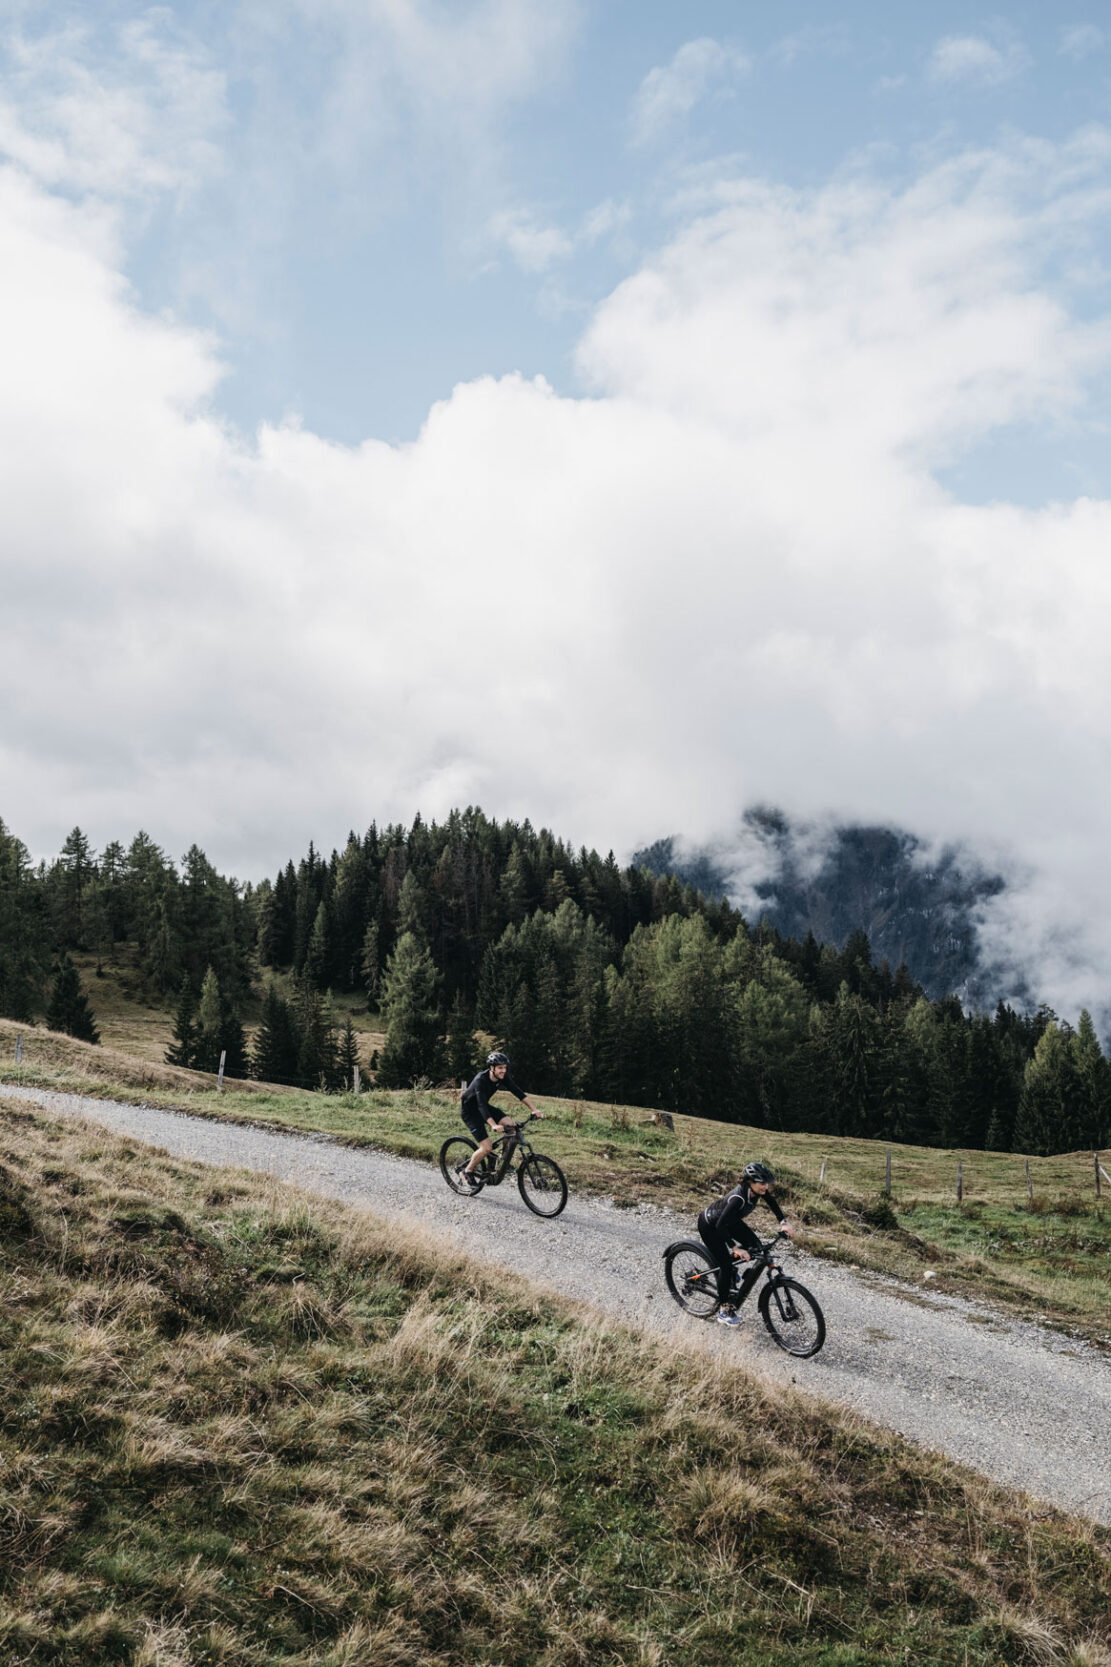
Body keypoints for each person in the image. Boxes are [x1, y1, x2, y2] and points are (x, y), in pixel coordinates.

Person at [698, 1161, 793, 1327]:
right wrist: (735, 1248)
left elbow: (772, 1202)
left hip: (730, 1222)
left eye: (767, 1184)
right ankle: (723, 1310)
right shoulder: (738, 1198)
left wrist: (783, 1222)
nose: (766, 1187)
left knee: (756, 1246)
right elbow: (720, 1226)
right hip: (711, 1226)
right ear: (751, 1181)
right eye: (762, 1183)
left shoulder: (758, 1191)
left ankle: (731, 1270)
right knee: (726, 1266)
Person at [457, 1051, 542, 1189]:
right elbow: (481, 1105)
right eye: (500, 1068)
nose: (503, 1070)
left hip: (484, 1108)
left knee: (511, 1126)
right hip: (471, 1112)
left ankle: (501, 1161)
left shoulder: (502, 1077)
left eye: (505, 1067)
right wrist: (493, 1125)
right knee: (486, 1147)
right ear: (492, 1068)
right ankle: (467, 1171)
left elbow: (517, 1092)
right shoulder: (481, 1080)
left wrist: (534, 1109)